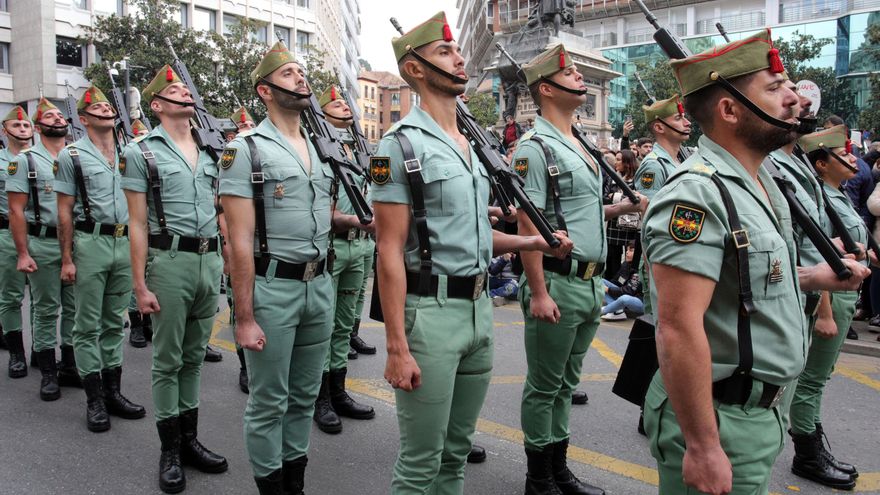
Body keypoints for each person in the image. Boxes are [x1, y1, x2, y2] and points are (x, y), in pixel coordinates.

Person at [642, 28, 869, 495]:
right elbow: (677, 327)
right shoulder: (698, 193)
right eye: (774, 88)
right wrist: (703, 447)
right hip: (720, 419)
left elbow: (745, 282)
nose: (794, 98)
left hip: (758, 415)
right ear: (728, 109)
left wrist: (813, 277)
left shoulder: (760, 184)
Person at [374, 12, 572, 494]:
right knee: (421, 463)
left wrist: (531, 241)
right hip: (431, 315)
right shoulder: (397, 146)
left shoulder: (470, 147)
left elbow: (475, 236)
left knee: (456, 454)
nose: (460, 58)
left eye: (458, 50)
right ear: (415, 68)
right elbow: (389, 251)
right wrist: (397, 346)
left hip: (479, 313)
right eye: (445, 52)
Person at [513, 43, 645, 495]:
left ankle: (559, 468)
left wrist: (619, 208)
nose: (581, 81)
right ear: (547, 89)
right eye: (570, 76)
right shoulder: (533, 148)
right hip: (557, 281)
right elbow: (529, 221)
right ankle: (538, 476)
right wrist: (538, 291)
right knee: (545, 385)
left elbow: (579, 212)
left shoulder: (579, 143)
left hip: (590, 283)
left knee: (567, 383)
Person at [219, 40, 336, 494]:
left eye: (301, 72)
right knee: (269, 401)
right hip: (273, 289)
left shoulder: (321, 147)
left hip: (319, 285)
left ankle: (295, 484)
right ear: (264, 91)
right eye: (288, 74)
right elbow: (239, 240)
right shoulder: (244, 149)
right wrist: (243, 317)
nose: (300, 78)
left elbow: (323, 214)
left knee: (304, 398)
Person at [122, 64, 228, 493]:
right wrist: (140, 285)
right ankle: (169, 450)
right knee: (167, 361)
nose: (186, 94)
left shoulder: (210, 151)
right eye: (175, 91)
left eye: (188, 89)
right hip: (169, 263)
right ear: (158, 105)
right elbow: (137, 224)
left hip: (209, 262)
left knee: (193, 357)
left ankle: (189, 440)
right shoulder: (141, 151)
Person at [55, 85, 146, 432]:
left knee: (113, 322)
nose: (106, 110)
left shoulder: (131, 151)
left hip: (125, 242)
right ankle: (94, 399)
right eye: (97, 108)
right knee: (86, 324)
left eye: (108, 105)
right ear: (83, 118)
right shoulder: (72, 156)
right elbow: (64, 212)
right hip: (90, 242)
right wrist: (67, 258)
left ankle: (113, 392)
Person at [788, 124, 865, 489]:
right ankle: (807, 453)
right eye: (843, 154)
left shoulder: (838, 195)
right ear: (821, 163)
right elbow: (813, 255)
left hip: (847, 294)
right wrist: (825, 312)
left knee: (819, 378)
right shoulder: (823, 198)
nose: (853, 159)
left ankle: (814, 447)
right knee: (811, 381)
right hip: (830, 297)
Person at [311, 85, 377, 435]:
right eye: (334, 102)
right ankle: (320, 398)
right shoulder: (319, 149)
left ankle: (338, 391)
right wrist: (355, 220)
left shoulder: (360, 148)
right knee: (323, 326)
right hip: (334, 245)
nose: (344, 106)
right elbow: (320, 206)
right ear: (321, 113)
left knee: (343, 325)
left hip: (361, 245)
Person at [7, 98, 79, 400]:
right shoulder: (26, 161)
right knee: (47, 309)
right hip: (44, 242)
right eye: (49, 116)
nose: (57, 118)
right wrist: (23, 253)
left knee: (75, 309)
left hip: (78, 245)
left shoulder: (77, 157)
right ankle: (48, 372)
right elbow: (16, 211)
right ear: (38, 128)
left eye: (60, 115)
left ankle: (70, 365)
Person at [0, 106, 33, 376]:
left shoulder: (44, 159)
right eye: (17, 126)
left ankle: (41, 352)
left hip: (41, 233)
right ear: (5, 131)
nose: (23, 130)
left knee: (43, 298)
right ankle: (16, 354)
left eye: (26, 126)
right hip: (7, 233)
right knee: (11, 296)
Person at [604, 149, 639, 278]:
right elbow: (605, 196)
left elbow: (637, 198)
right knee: (612, 257)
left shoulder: (637, 179)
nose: (616, 162)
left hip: (631, 224)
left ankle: (626, 284)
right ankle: (611, 282)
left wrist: (616, 196)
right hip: (614, 225)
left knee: (630, 257)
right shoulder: (613, 177)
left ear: (628, 163)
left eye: (619, 160)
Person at [601, 242, 643, 320]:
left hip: (639, 301)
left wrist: (608, 290)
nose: (627, 252)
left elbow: (629, 291)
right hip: (626, 294)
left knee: (625, 298)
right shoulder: (626, 264)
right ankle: (617, 311)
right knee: (600, 281)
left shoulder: (639, 269)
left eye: (631, 250)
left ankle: (600, 311)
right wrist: (607, 288)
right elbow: (616, 282)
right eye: (627, 250)